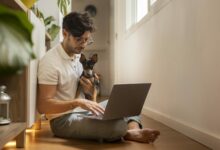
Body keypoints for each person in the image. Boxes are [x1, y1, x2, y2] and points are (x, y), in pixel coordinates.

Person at [37, 12, 160, 143]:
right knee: (117, 126)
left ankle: (133, 131)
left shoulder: (77, 56)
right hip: (62, 120)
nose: (83, 45)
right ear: (65, 33)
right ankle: (127, 131)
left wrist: (91, 93)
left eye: (86, 40)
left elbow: (90, 100)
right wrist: (77, 102)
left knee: (129, 102)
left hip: (82, 110)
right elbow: (44, 106)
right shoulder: (50, 62)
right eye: (79, 39)